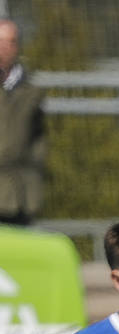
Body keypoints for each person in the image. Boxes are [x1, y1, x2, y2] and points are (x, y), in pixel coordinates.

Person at [0, 18, 44, 226]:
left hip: (19, 195)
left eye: (9, 41)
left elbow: (38, 139)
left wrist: (33, 176)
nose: (3, 48)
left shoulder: (30, 92)